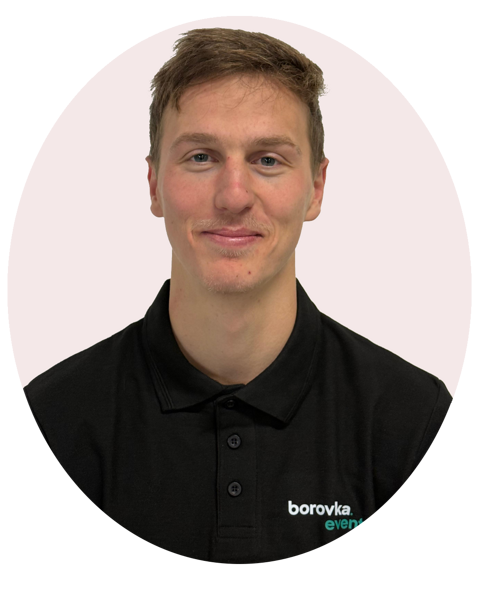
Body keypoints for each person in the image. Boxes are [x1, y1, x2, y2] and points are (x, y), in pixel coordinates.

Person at [22, 28, 454, 564]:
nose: (233, 196)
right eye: (201, 157)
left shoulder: (412, 423)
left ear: (316, 188)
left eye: (267, 159)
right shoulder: (55, 422)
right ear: (154, 185)